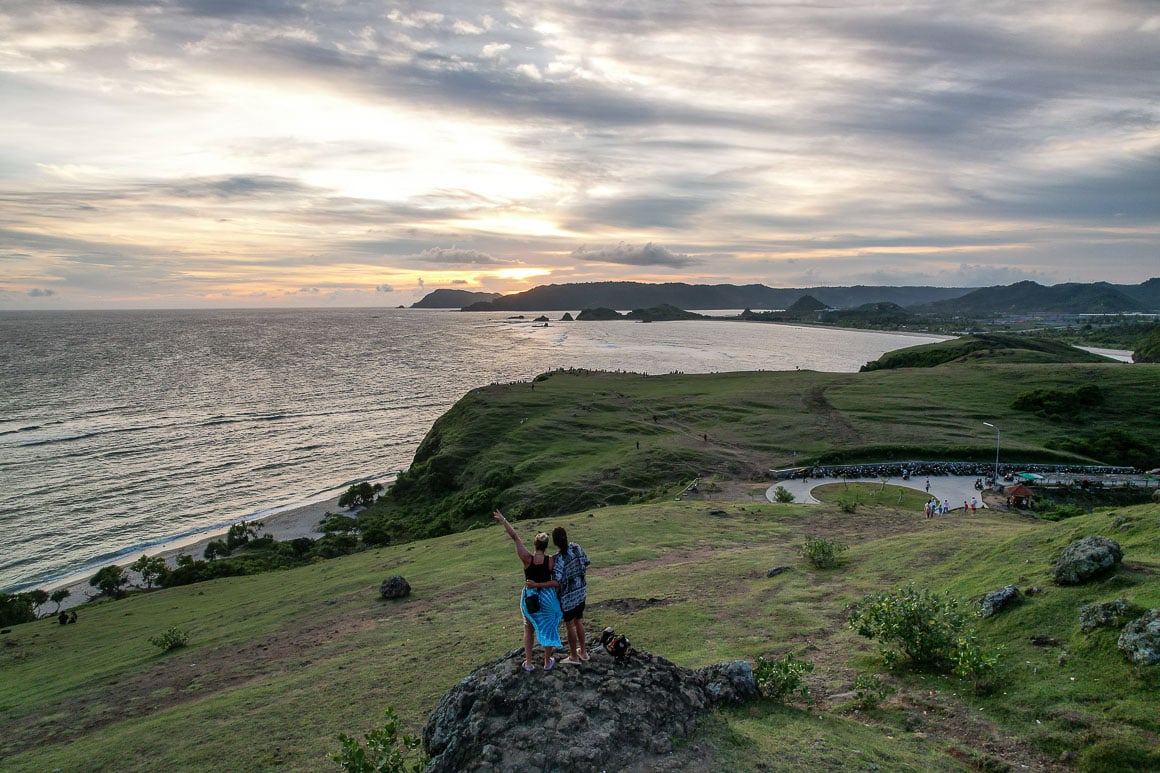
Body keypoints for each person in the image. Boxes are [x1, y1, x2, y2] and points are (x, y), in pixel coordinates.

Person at [494, 510, 562, 672]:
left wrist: (504, 520)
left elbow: (515, 537)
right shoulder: (551, 560)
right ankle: (547, 661)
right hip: (548, 598)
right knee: (549, 627)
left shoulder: (527, 559)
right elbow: (557, 579)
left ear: (534, 544)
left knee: (528, 628)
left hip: (530, 598)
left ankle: (529, 663)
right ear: (546, 547)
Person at [552, 526, 591, 665]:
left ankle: (574, 656)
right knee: (579, 621)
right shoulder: (577, 547)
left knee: (569, 625)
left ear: (555, 542)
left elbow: (557, 580)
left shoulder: (559, 559)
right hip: (581, 591)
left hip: (568, 597)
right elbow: (586, 562)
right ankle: (584, 652)